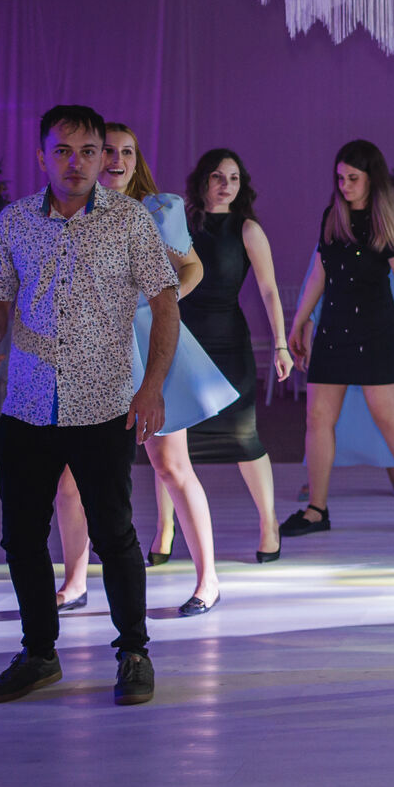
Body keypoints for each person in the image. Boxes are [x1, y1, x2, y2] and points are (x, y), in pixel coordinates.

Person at [0, 104, 180, 705]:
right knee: (21, 538)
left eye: (89, 151)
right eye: (63, 151)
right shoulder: (15, 221)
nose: (78, 163)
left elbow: (166, 304)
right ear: (42, 156)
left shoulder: (130, 220)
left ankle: (134, 652)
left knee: (115, 535)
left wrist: (152, 387)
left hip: (103, 405)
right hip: (29, 404)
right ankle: (39, 654)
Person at [52, 125, 237, 616]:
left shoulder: (159, 209)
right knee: (71, 476)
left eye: (127, 152)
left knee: (171, 466)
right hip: (91, 352)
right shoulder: (71, 211)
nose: (117, 160)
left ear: (137, 160)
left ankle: (208, 580)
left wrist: (159, 303)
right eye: (108, 151)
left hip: (150, 344)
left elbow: (192, 269)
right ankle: (74, 582)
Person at [284, 140, 394, 536]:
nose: (344, 185)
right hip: (334, 327)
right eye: (340, 178)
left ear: (371, 179)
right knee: (318, 418)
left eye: (353, 178)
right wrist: (299, 322)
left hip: (374, 329)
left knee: (388, 416)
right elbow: (319, 274)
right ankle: (316, 510)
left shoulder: (387, 221)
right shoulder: (333, 216)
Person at [180, 148, 290, 562]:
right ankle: (165, 530)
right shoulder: (181, 225)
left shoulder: (247, 229)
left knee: (244, 437)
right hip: (184, 345)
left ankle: (269, 522)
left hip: (229, 345)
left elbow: (269, 291)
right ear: (202, 181)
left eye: (234, 178)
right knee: (173, 440)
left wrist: (280, 344)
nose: (226, 185)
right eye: (217, 176)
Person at [301, 268, 394, 485]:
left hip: (377, 336)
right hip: (337, 337)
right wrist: (306, 335)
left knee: (386, 409)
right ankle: (316, 480)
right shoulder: (326, 247)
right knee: (327, 414)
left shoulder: (384, 249)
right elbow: (314, 289)